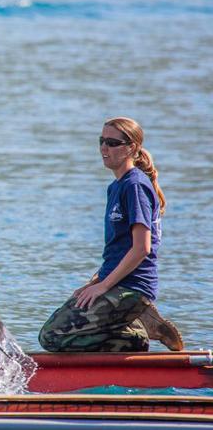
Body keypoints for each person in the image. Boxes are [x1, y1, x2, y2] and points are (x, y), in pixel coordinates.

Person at [39, 117, 182, 352]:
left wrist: (103, 286)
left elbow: (141, 248)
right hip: (114, 283)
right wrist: (93, 283)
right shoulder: (116, 186)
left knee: (51, 337)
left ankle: (139, 325)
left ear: (132, 148)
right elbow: (117, 249)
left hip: (132, 287)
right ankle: (131, 339)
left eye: (113, 143)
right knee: (57, 326)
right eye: (102, 141)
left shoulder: (135, 186)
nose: (104, 148)